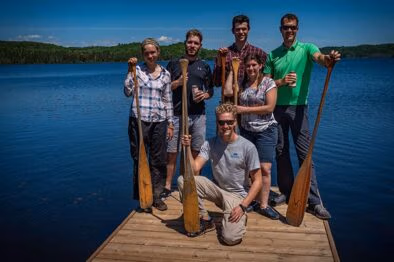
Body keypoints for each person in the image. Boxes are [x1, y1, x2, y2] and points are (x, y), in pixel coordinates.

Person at [263, 13, 341, 219]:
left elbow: (320, 58)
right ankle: (287, 192)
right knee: (281, 152)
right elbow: (266, 83)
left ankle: (315, 202)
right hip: (277, 109)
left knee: (305, 154)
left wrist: (329, 59)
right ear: (280, 29)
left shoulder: (307, 48)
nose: (290, 31)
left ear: (297, 29)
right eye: (286, 27)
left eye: (293, 28)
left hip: (299, 109)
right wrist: (281, 81)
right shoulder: (273, 54)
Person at [178, 103, 263, 245]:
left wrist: (243, 206)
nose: (225, 126)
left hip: (237, 197)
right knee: (183, 180)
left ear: (235, 122)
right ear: (217, 122)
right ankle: (205, 219)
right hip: (217, 191)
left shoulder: (248, 147)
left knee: (230, 239)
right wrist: (187, 148)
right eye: (221, 122)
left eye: (229, 122)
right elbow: (195, 168)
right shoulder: (210, 144)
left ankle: (241, 217)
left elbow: (258, 181)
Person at [224, 54, 279, 220]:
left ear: (261, 65)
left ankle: (263, 205)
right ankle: (253, 200)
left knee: (264, 169)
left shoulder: (268, 83)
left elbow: (270, 107)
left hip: (266, 130)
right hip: (247, 131)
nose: (251, 68)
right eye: (248, 66)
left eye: (254, 65)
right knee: (251, 170)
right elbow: (227, 91)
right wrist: (233, 71)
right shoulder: (241, 83)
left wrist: (243, 110)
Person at [124, 38, 174, 212]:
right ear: (143, 55)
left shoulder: (166, 74)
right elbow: (127, 91)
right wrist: (129, 70)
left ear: (158, 52)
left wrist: (170, 124)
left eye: (153, 52)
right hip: (139, 120)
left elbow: (168, 100)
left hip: (159, 121)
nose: (150, 55)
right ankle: (143, 196)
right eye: (147, 53)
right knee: (139, 158)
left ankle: (157, 195)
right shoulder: (137, 70)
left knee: (159, 159)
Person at [164, 29, 214, 198]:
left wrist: (205, 95)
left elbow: (211, 90)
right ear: (185, 43)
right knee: (172, 153)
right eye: (190, 42)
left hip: (198, 115)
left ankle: (194, 185)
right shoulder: (174, 64)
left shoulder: (205, 66)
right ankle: (168, 187)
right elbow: (165, 88)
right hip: (178, 115)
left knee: (195, 152)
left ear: (200, 46)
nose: (192, 45)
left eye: (196, 43)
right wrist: (177, 82)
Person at [213, 14, 267, 100]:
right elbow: (216, 83)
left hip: (251, 103)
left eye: (244, 29)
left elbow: (266, 81)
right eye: (238, 29)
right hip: (229, 103)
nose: (241, 32)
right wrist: (219, 61)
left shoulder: (260, 53)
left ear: (248, 30)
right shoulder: (224, 54)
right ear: (233, 31)